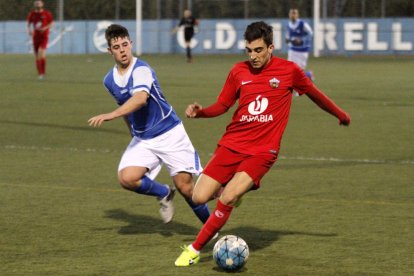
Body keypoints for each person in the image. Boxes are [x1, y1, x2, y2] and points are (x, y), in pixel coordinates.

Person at [174, 21, 350, 266]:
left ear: (271, 48)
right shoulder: (238, 71)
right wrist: (201, 112)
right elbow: (223, 105)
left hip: (262, 151)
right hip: (232, 144)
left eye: (258, 50)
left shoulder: (289, 71)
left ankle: (193, 250)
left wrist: (341, 115)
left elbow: (315, 96)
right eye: (249, 50)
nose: (253, 56)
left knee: (227, 198)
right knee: (199, 197)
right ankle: (235, 188)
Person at [88, 24, 211, 225]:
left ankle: (214, 229)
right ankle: (164, 193)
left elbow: (140, 99)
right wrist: (132, 133)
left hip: (169, 133)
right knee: (127, 178)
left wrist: (112, 115)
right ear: (110, 51)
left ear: (131, 44)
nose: (122, 50)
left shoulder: (142, 69)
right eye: (117, 47)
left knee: (187, 189)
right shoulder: (109, 80)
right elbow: (126, 106)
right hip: (144, 138)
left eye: (125, 44)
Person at [26, 0, 53, 80]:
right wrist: (29, 30)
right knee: (39, 56)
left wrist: (45, 28)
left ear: (42, 4)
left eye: (39, 2)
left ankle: (41, 74)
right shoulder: (32, 14)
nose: (37, 3)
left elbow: (51, 23)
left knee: (40, 52)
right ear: (34, 4)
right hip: (35, 37)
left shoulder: (47, 13)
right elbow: (28, 24)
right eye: (36, 2)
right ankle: (41, 73)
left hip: (44, 37)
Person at [285, 8, 314, 81]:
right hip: (292, 50)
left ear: (297, 15)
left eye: (294, 13)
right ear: (289, 15)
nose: (293, 15)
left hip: (302, 50)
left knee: (300, 71)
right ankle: (294, 88)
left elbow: (310, 33)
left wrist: (302, 40)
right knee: (290, 69)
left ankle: (308, 74)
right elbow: (288, 37)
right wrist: (288, 40)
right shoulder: (289, 25)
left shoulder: (302, 24)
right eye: (291, 13)